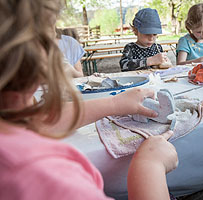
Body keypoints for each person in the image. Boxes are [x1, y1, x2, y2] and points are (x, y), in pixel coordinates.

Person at [0, 1, 178, 200]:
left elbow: (39, 118)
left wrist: (114, 104)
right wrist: (149, 166)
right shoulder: (40, 176)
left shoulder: (12, 112)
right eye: (52, 28)